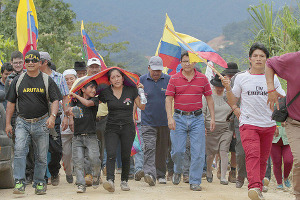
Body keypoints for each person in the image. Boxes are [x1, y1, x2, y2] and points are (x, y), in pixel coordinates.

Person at [221, 43, 285, 200]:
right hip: (248, 124)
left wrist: (277, 122)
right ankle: (254, 186)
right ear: (250, 59)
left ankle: (258, 190)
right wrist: (228, 88)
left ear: (266, 60)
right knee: (253, 155)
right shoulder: (242, 78)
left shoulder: (273, 79)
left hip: (268, 125)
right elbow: (233, 100)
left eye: (262, 56)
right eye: (255, 56)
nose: (258, 59)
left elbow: (281, 100)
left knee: (263, 159)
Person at [5, 50, 62, 195]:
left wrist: (53, 117)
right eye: (28, 61)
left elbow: (55, 99)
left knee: (41, 155)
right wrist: (7, 124)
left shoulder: (46, 80)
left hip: (42, 122)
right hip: (22, 122)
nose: (30, 63)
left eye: (34, 61)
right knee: (19, 151)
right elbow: (11, 103)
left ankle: (40, 183)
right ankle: (19, 182)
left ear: (39, 63)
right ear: (25, 63)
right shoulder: (18, 80)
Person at [165, 51, 215, 191]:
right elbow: (168, 99)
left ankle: (195, 181)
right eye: (185, 61)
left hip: (197, 118)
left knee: (198, 151)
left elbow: (209, 98)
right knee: (178, 150)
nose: (187, 64)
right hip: (178, 118)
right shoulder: (174, 79)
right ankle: (178, 169)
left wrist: (212, 118)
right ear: (180, 63)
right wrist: (170, 117)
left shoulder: (203, 78)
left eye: (190, 61)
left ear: (195, 62)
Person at [98, 67, 145, 192]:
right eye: (113, 77)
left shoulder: (131, 90)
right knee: (111, 154)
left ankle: (124, 181)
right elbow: (94, 101)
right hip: (111, 127)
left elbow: (142, 106)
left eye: (118, 76)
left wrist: (141, 91)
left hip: (128, 127)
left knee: (125, 155)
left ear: (123, 78)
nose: (116, 79)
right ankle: (110, 181)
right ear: (110, 81)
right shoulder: (106, 92)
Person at [265, 51, 300, 200]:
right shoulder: (294, 59)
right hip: (295, 122)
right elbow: (270, 63)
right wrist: (271, 89)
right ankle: (298, 194)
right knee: (299, 159)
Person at [39, 51, 72, 186]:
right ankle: (42, 176)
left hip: (56, 117)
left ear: (45, 62)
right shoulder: (34, 78)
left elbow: (65, 97)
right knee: (40, 148)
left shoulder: (59, 77)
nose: (33, 64)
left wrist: (66, 116)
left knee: (56, 148)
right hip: (39, 117)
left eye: (37, 61)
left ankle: (54, 171)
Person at [138, 56, 171, 186]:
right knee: (149, 148)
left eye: (159, 70)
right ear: (148, 68)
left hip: (164, 121)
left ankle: (161, 174)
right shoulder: (141, 81)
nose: (156, 73)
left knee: (162, 149)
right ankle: (150, 174)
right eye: (154, 70)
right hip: (147, 121)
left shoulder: (168, 80)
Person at [68, 80, 101, 193]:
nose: (94, 90)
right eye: (91, 87)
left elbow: (87, 104)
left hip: (91, 136)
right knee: (78, 162)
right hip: (77, 136)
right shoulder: (74, 101)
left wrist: (75, 95)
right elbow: (68, 110)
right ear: (83, 89)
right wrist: (70, 110)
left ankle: (96, 176)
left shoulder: (95, 100)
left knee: (95, 159)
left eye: (95, 88)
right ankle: (81, 184)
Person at [203, 74, 233, 185]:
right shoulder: (207, 95)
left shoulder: (229, 96)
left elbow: (234, 109)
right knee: (210, 154)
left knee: (223, 151)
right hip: (211, 127)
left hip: (226, 127)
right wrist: (203, 126)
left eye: (222, 87)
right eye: (217, 86)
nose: (220, 89)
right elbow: (203, 112)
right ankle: (209, 170)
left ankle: (223, 176)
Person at [61, 69, 78, 184]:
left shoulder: (81, 91)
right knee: (66, 153)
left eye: (71, 78)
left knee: (80, 152)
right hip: (64, 128)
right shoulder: (60, 92)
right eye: (66, 79)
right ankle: (68, 172)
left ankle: (81, 175)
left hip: (79, 126)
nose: (69, 81)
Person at [270, 122, 293, 190]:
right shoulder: (272, 111)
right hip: (274, 140)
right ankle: (279, 183)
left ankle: (285, 177)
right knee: (277, 162)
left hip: (288, 139)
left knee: (289, 161)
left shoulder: (290, 111)